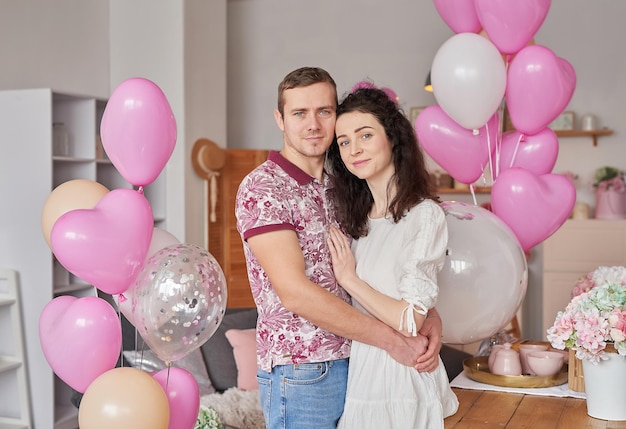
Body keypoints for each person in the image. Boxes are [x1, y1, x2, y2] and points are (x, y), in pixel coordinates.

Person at [235, 67, 444, 429]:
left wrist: (428, 318)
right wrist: (393, 341)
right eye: (299, 113)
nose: (313, 124)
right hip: (303, 370)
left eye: (324, 112)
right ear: (280, 119)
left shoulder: (345, 188)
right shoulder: (264, 188)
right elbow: (296, 294)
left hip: (360, 361)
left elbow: (387, 265)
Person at [325, 84, 459, 428]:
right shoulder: (358, 220)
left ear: (392, 138)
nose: (354, 149)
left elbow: (411, 321)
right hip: (362, 372)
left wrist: (350, 280)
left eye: (365, 135)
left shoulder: (424, 216)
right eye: (344, 142)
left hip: (401, 378)